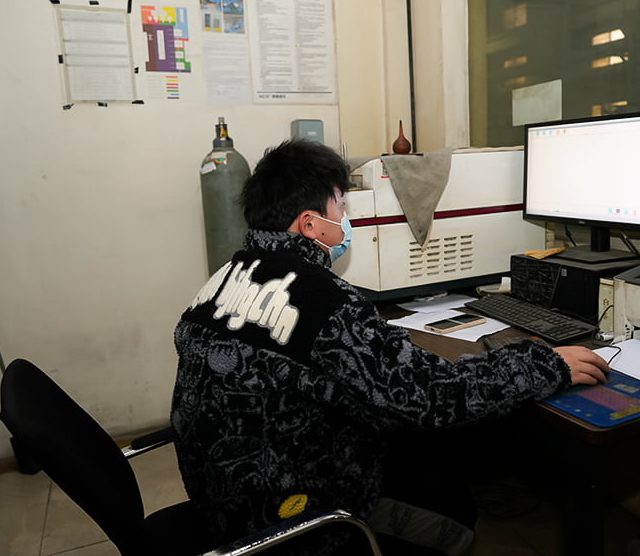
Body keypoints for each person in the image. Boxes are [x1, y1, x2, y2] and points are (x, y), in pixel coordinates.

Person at [170, 139, 609, 556]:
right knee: (456, 507)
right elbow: (431, 395)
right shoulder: (323, 301)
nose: (346, 219)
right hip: (295, 521)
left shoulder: (221, 280)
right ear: (310, 224)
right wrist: (543, 364)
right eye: (341, 207)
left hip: (223, 502)